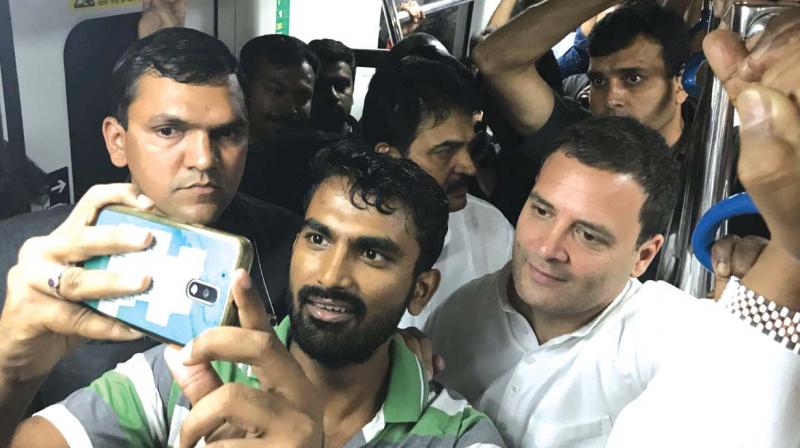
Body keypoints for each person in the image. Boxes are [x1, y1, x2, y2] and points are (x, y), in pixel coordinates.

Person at [424, 7, 800, 445]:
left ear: (644, 254)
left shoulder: (667, 331)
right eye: (542, 211)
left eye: (588, 234)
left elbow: (748, 367)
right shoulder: (455, 317)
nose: (547, 247)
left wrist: (784, 259)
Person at [4, 145, 506, 448]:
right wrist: (13, 368)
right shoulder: (188, 368)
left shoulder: (459, 435)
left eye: (372, 254)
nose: (330, 276)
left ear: (421, 289)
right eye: (317, 238)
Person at [0, 27, 301, 417]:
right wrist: (10, 368)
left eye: (227, 133)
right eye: (169, 130)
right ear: (117, 142)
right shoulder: (21, 257)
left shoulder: (296, 248)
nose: (204, 159)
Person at [476, 0, 692, 225]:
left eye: (633, 78)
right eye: (599, 81)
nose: (611, 99)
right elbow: (494, 60)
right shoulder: (576, 138)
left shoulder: (715, 152)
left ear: (681, 84)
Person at [361, 55, 514, 328]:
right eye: (445, 152)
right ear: (388, 157)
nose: (469, 167)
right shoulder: (339, 239)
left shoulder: (492, 230)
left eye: (469, 147)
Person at [237, 35, 342, 215]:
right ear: (245, 89)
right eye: (277, 92)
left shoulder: (321, 164)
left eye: (302, 97)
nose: (290, 109)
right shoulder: (218, 161)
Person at [308, 38, 358, 136]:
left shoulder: (372, 144)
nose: (333, 95)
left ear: (353, 90)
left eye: (341, 85)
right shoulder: (282, 146)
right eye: (321, 85)